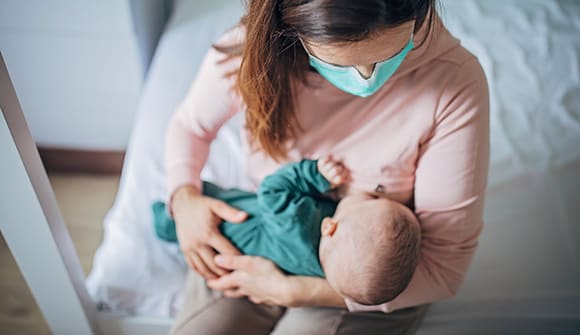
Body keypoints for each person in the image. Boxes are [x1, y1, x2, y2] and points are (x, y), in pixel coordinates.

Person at [164, 0, 489, 333]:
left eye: (385, 58)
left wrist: (295, 291)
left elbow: (442, 270)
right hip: (268, 232)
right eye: (341, 64)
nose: (366, 78)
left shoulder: (454, 83)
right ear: (293, 32)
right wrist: (184, 196)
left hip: (367, 271)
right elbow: (191, 128)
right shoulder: (255, 51)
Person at [154, 157, 421, 305]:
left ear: (330, 226)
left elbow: (272, 188)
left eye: (371, 201)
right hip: (229, 257)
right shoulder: (334, 269)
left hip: (222, 224)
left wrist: (315, 174)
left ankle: (160, 216)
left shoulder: (296, 220)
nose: (370, 197)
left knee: (194, 206)